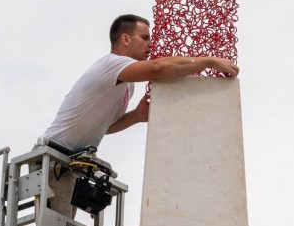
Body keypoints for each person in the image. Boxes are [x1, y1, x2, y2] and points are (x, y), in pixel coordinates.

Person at [35, 13, 240, 215]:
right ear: (125, 39)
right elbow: (157, 68)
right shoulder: (112, 64)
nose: (150, 44)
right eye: (144, 38)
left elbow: (105, 127)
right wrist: (209, 62)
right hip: (54, 155)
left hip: (69, 162)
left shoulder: (128, 85)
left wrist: (136, 116)